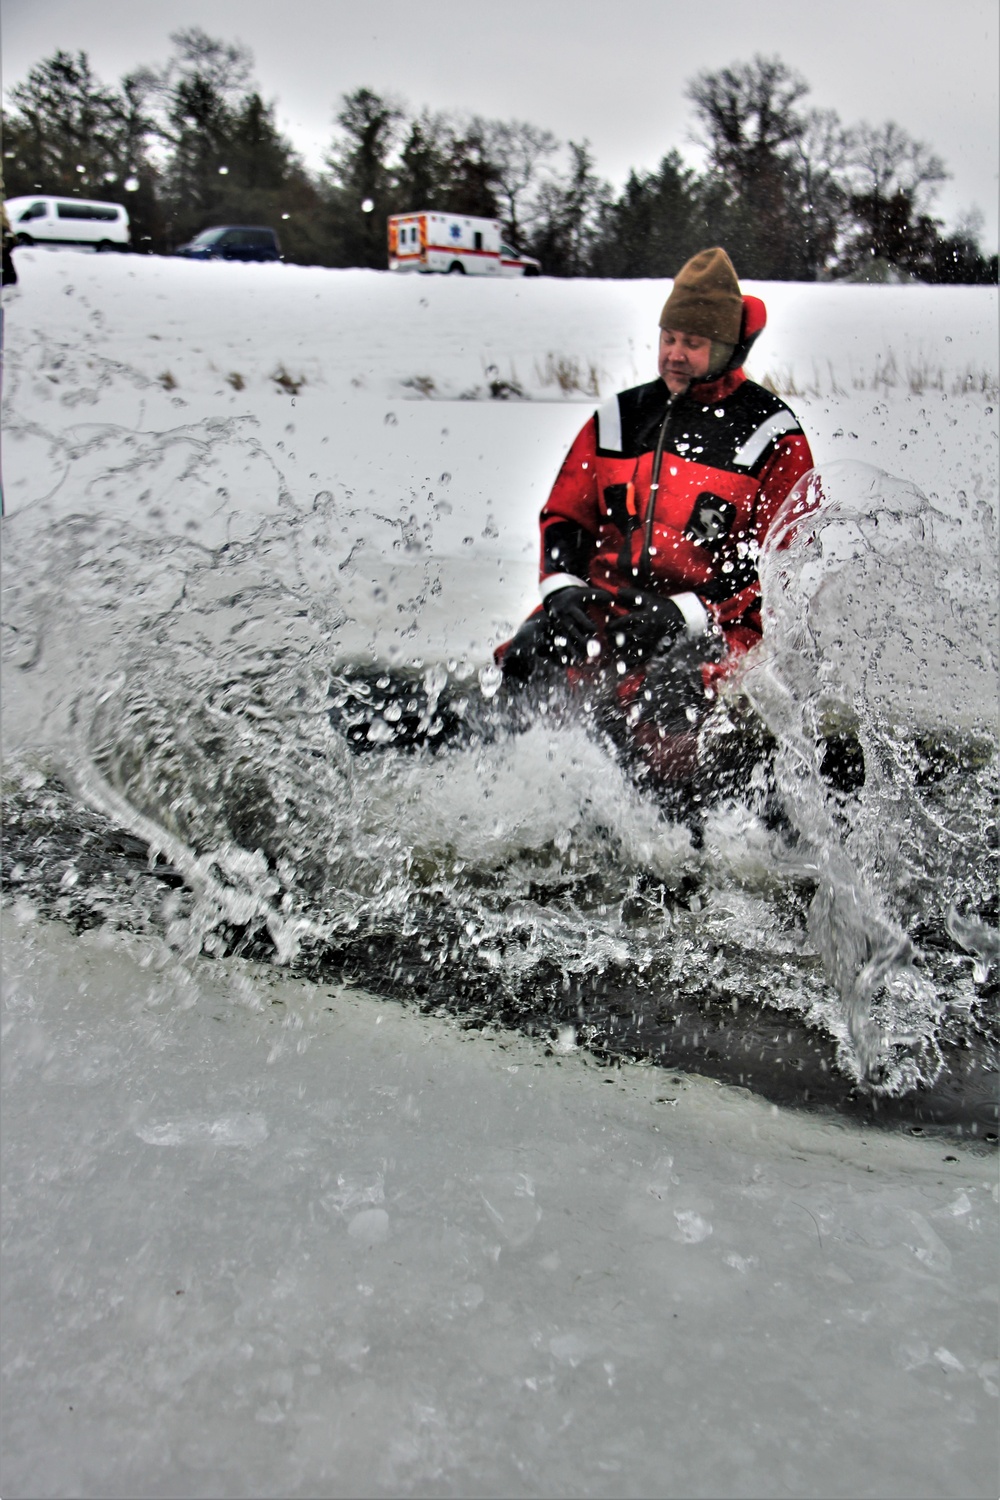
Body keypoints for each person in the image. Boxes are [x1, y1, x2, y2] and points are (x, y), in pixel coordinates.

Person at [495, 246, 814, 785]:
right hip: (609, 608)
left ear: (726, 347)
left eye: (692, 343)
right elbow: (566, 517)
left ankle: (679, 833)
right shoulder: (620, 416)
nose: (674, 354)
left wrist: (686, 615)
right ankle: (514, 794)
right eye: (669, 338)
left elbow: (784, 569)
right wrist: (563, 590)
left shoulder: (773, 434)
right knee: (528, 655)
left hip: (718, 625)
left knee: (670, 696)